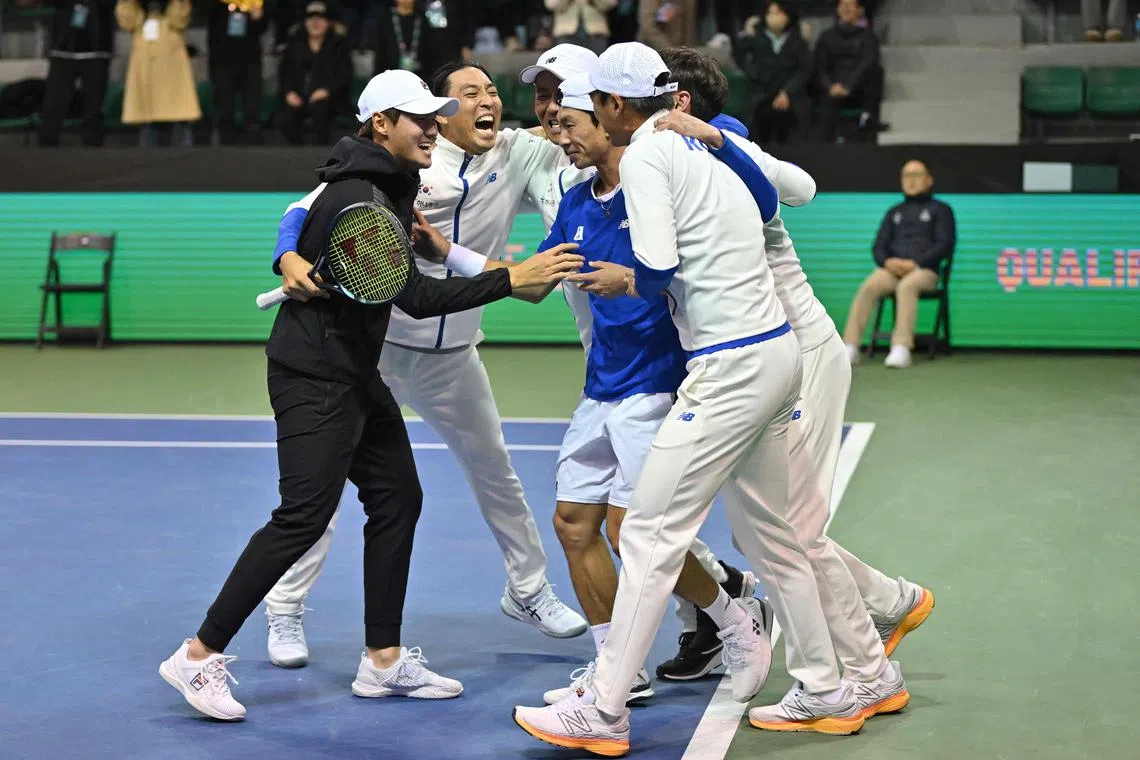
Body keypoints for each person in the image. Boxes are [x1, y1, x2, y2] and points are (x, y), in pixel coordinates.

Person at [158, 69, 585, 721]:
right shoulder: (361, 193)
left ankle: (382, 661)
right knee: (303, 515)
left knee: (397, 497)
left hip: (352, 367)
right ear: (380, 124)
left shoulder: (387, 181)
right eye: (420, 118)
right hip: (315, 373)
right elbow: (413, 295)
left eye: (437, 117)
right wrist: (510, 277)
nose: (434, 127)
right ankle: (196, 655)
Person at [512, 43, 856, 755]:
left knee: (643, 532)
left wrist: (624, 276)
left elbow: (660, 265)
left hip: (726, 366)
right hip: (778, 352)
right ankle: (828, 687)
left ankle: (605, 709)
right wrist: (720, 141)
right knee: (782, 538)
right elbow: (774, 198)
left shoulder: (642, 158)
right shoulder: (715, 147)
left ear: (610, 105)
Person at [260, 55, 601, 669]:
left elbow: (586, 137)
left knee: (495, 470)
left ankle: (527, 590)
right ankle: (285, 606)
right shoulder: (411, 161)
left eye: (492, 90)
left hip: (455, 355)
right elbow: (304, 205)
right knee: (325, 486)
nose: (486, 100)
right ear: (440, 113)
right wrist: (286, 254)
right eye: (468, 93)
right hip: (382, 350)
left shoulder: (519, 152)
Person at [656, 46, 930, 730]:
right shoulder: (661, 161)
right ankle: (886, 622)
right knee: (770, 535)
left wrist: (717, 138)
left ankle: (865, 667)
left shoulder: (726, 148)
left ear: (679, 103)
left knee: (789, 534)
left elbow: (802, 187)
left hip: (798, 352)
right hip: (765, 357)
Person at [841, 159, 956, 369]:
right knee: (869, 286)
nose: (910, 181)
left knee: (907, 286)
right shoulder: (894, 212)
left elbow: (944, 244)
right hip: (892, 270)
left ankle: (901, 348)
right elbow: (878, 246)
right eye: (906, 176)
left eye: (917, 175)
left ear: (929, 180)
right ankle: (850, 346)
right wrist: (886, 261)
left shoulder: (941, 210)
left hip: (924, 272)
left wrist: (917, 263)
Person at [733, 1, 812, 145]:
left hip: (790, 94)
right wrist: (751, 71)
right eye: (770, 13)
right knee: (757, 119)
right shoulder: (756, 36)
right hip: (761, 91)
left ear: (788, 16)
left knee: (794, 122)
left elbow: (804, 69)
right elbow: (738, 53)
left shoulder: (798, 38)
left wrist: (787, 92)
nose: (774, 17)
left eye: (778, 13)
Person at [38, 0, 115, 147]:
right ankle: (46, 147)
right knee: (54, 103)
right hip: (63, 47)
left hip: (96, 47)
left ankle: (93, 148)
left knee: (94, 105)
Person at [278, 1, 352, 146]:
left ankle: (322, 153)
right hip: (298, 97)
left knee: (320, 110)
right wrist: (289, 93)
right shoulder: (294, 45)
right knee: (286, 118)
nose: (315, 23)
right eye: (311, 19)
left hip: (329, 99)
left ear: (329, 23)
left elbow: (344, 75)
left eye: (320, 19)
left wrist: (326, 91)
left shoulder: (338, 46)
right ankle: (295, 154)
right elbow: (284, 73)